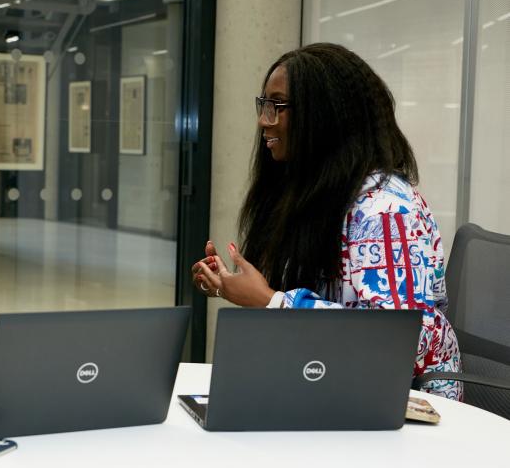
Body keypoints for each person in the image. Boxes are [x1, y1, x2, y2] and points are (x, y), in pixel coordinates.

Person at [192, 42, 462, 400]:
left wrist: (272, 302)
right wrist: (235, 284)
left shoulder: (384, 209)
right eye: (264, 104)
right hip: (328, 388)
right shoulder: (317, 193)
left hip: (399, 412)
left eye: (278, 106)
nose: (264, 120)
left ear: (326, 116)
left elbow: (398, 339)